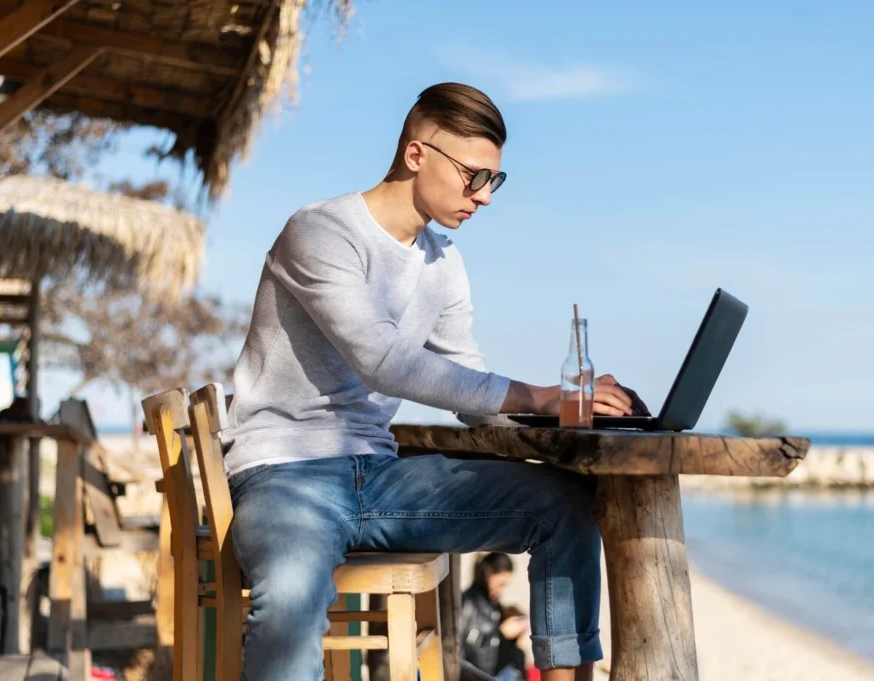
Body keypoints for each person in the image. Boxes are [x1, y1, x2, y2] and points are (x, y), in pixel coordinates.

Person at [223, 82, 633, 681]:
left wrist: (566, 409)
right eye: (474, 176)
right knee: (288, 603)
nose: (484, 198)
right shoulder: (319, 233)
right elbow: (383, 360)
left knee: (565, 504)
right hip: (285, 473)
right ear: (417, 155)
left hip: (381, 475)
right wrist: (537, 393)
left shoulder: (445, 265)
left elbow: (468, 384)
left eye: (494, 180)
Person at [461, 553, 529, 681]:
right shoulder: (467, 604)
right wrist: (503, 633)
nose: (501, 590)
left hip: (504, 671)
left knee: (520, 654)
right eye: (501, 583)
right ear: (488, 573)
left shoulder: (491, 602)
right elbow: (466, 658)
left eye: (505, 585)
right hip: (488, 675)